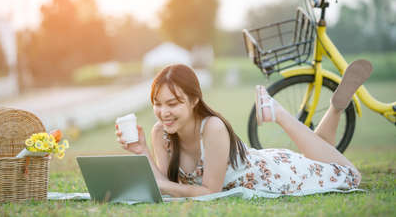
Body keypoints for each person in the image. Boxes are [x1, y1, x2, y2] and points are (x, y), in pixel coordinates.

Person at [115, 60, 372, 197]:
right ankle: (336, 108)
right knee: (321, 155)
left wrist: (167, 188)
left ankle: (279, 113)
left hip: (276, 175)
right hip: (265, 160)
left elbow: (208, 192)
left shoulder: (212, 127)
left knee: (350, 175)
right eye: (157, 104)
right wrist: (141, 151)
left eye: (173, 103)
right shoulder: (160, 134)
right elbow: (164, 182)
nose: (163, 112)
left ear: (194, 101)